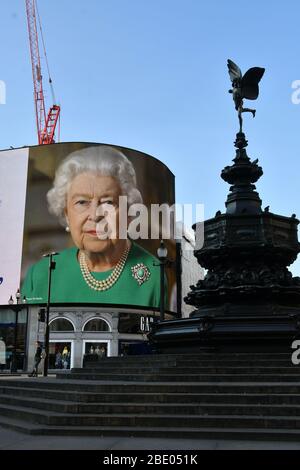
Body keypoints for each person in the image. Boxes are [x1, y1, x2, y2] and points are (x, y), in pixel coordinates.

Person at [21, 145, 165, 308]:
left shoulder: (153, 274)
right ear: (67, 214)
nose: (96, 215)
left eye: (108, 202)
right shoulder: (40, 275)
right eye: (82, 202)